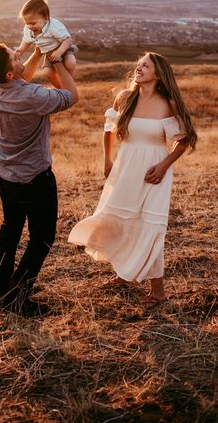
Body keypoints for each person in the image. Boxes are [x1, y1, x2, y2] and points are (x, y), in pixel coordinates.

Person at [68, 52, 196, 305]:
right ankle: (125, 273)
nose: (139, 69)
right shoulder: (125, 98)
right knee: (120, 219)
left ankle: (158, 292)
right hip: (126, 167)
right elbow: (108, 131)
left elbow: (183, 141)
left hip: (154, 173)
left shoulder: (167, 103)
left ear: (158, 74)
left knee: (151, 226)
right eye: (138, 65)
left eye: (145, 66)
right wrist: (108, 160)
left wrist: (164, 165)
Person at [0, 42, 78, 316]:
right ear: (10, 74)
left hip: (5, 174)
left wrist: (35, 53)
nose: (17, 53)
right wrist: (56, 59)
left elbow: (19, 79)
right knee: (43, 237)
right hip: (35, 178)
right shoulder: (33, 97)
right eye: (14, 56)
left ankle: (0, 289)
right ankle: (17, 296)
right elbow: (71, 96)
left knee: (10, 229)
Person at [16, 0, 77, 89]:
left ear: (46, 18)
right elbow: (26, 42)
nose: (29, 26)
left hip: (63, 49)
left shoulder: (54, 26)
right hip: (49, 54)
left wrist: (59, 52)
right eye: (27, 23)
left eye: (33, 23)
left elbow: (68, 40)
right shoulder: (28, 29)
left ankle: (70, 82)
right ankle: (61, 88)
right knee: (46, 73)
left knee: (70, 63)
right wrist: (20, 51)